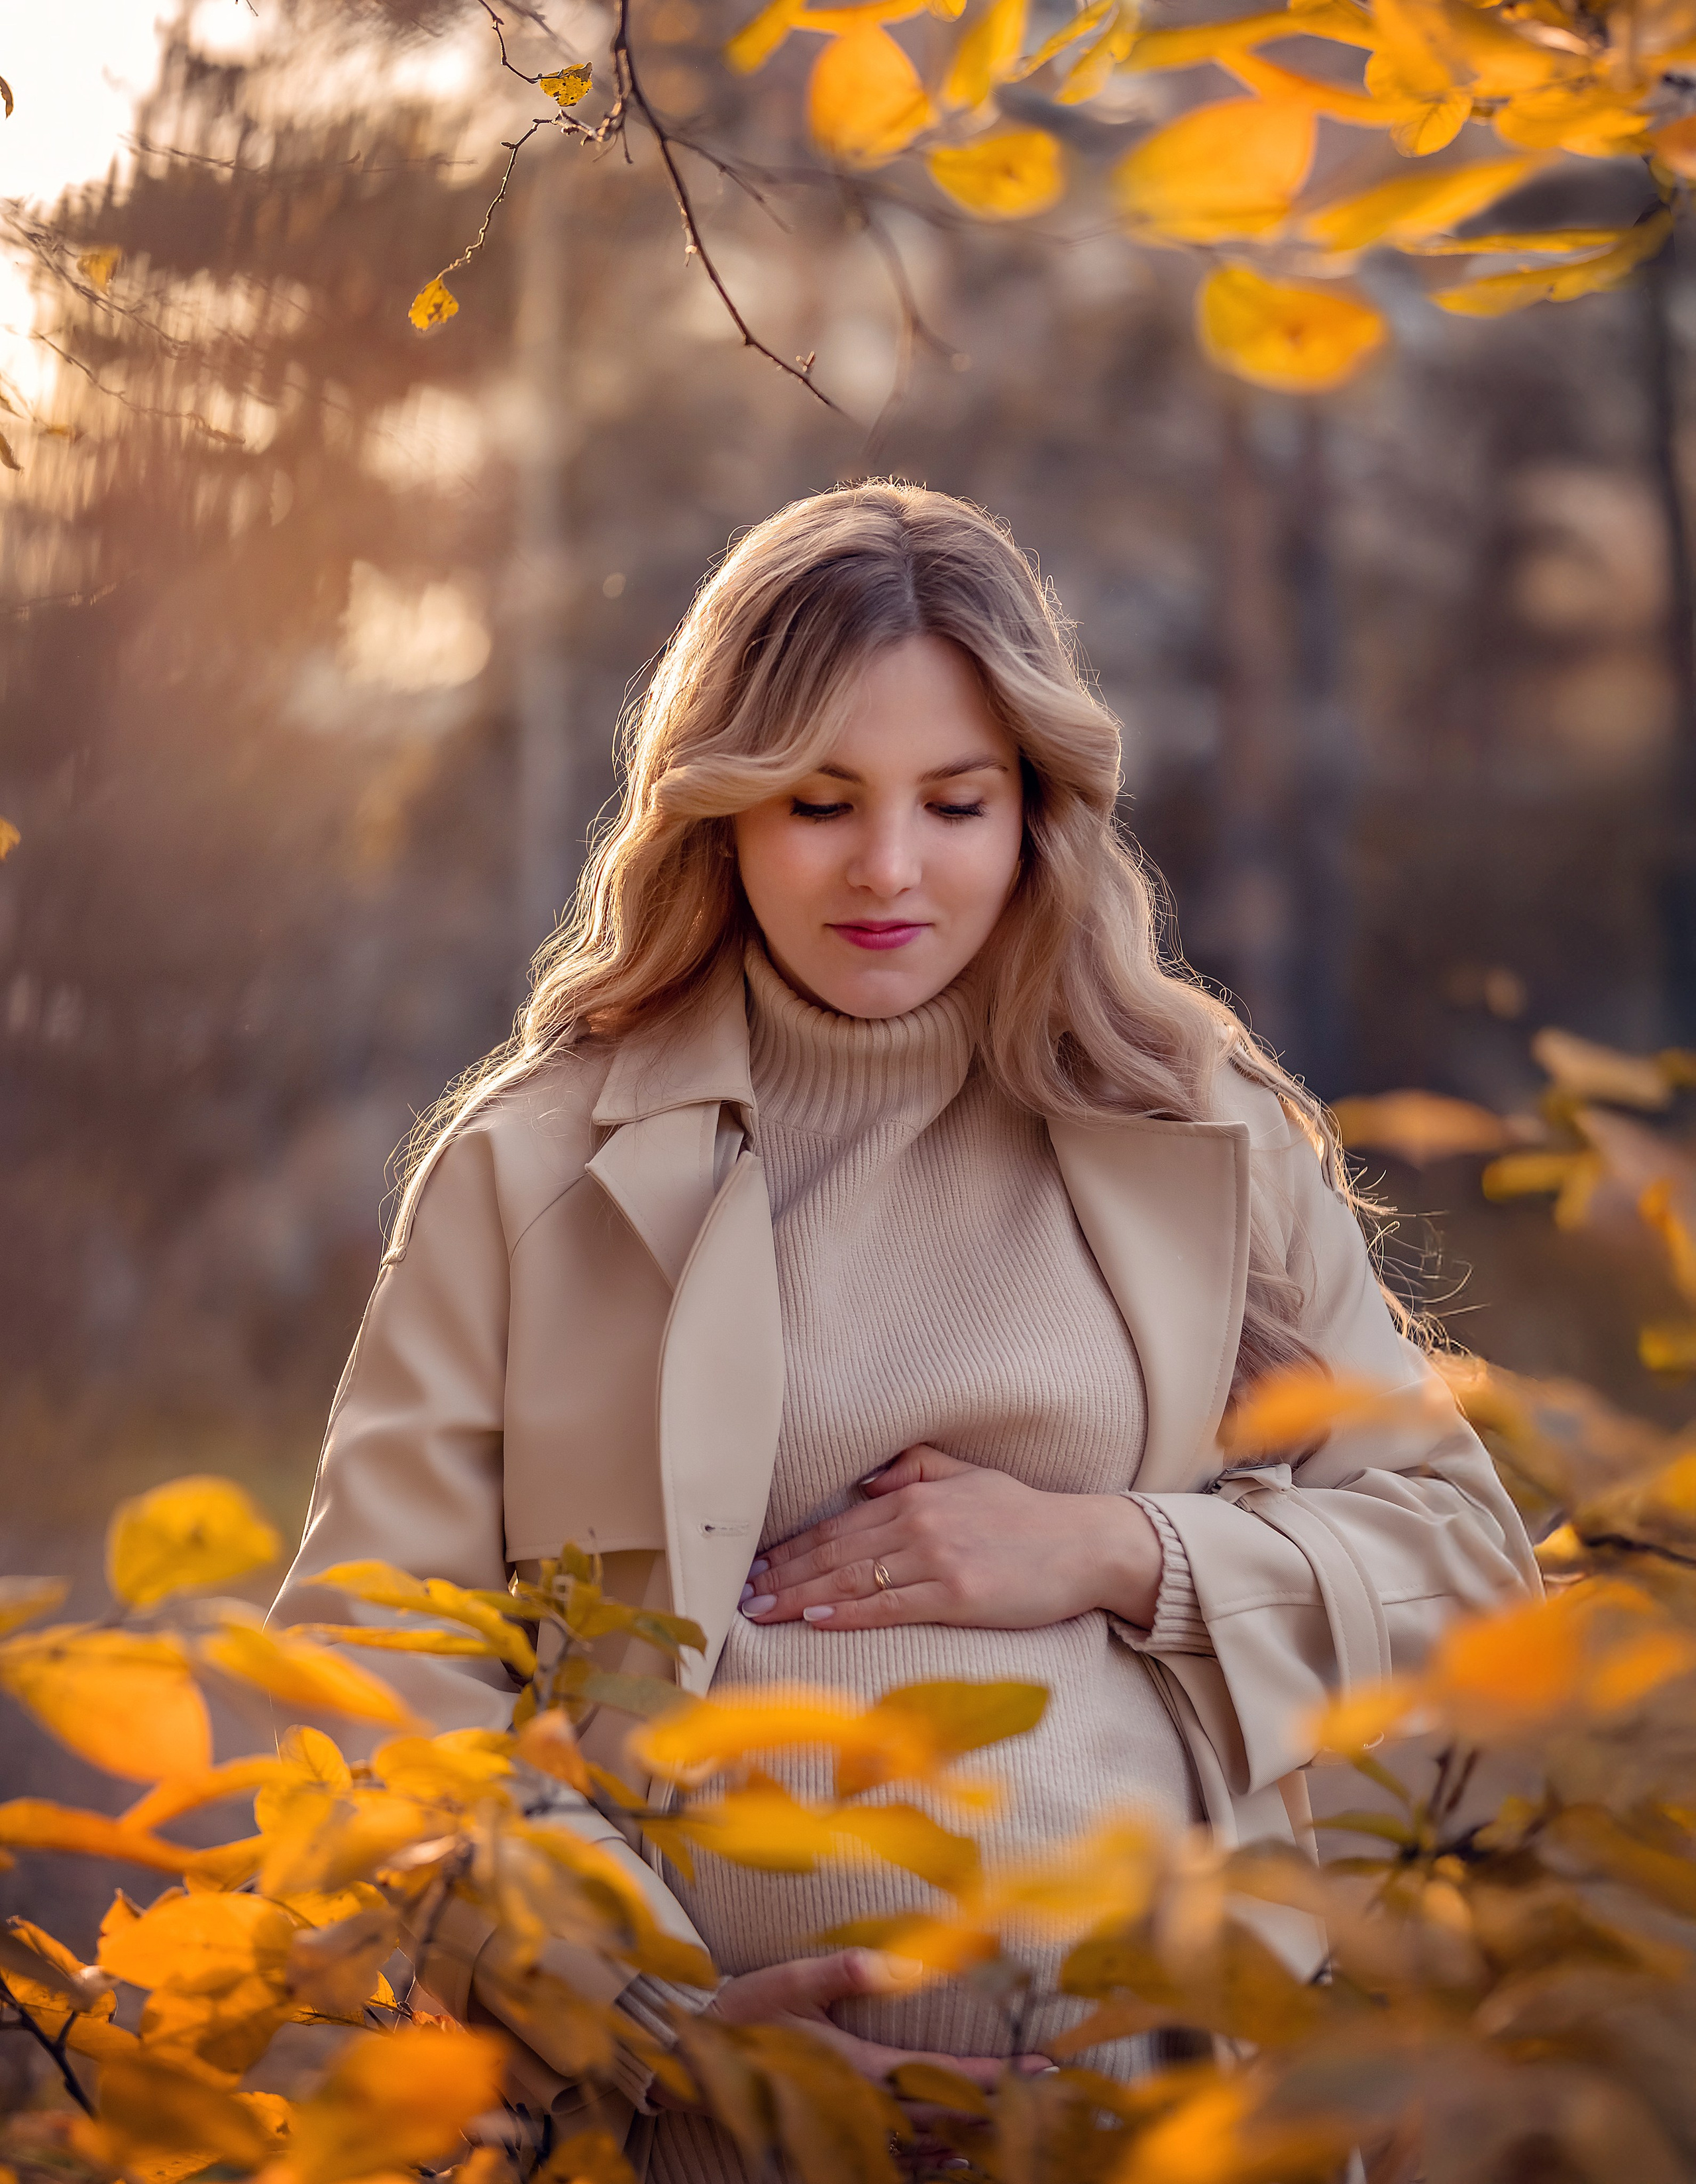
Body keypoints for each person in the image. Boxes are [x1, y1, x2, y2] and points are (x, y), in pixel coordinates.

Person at [270, 482, 1538, 2179]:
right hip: (698, 2134)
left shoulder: (1195, 1121)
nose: (886, 867)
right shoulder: (529, 1166)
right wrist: (659, 2023)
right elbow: (369, 1666)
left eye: (953, 801)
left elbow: (1465, 1570)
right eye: (818, 801)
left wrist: (1114, 1548)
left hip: (1162, 2120)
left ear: (1036, 806)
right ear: (719, 807)